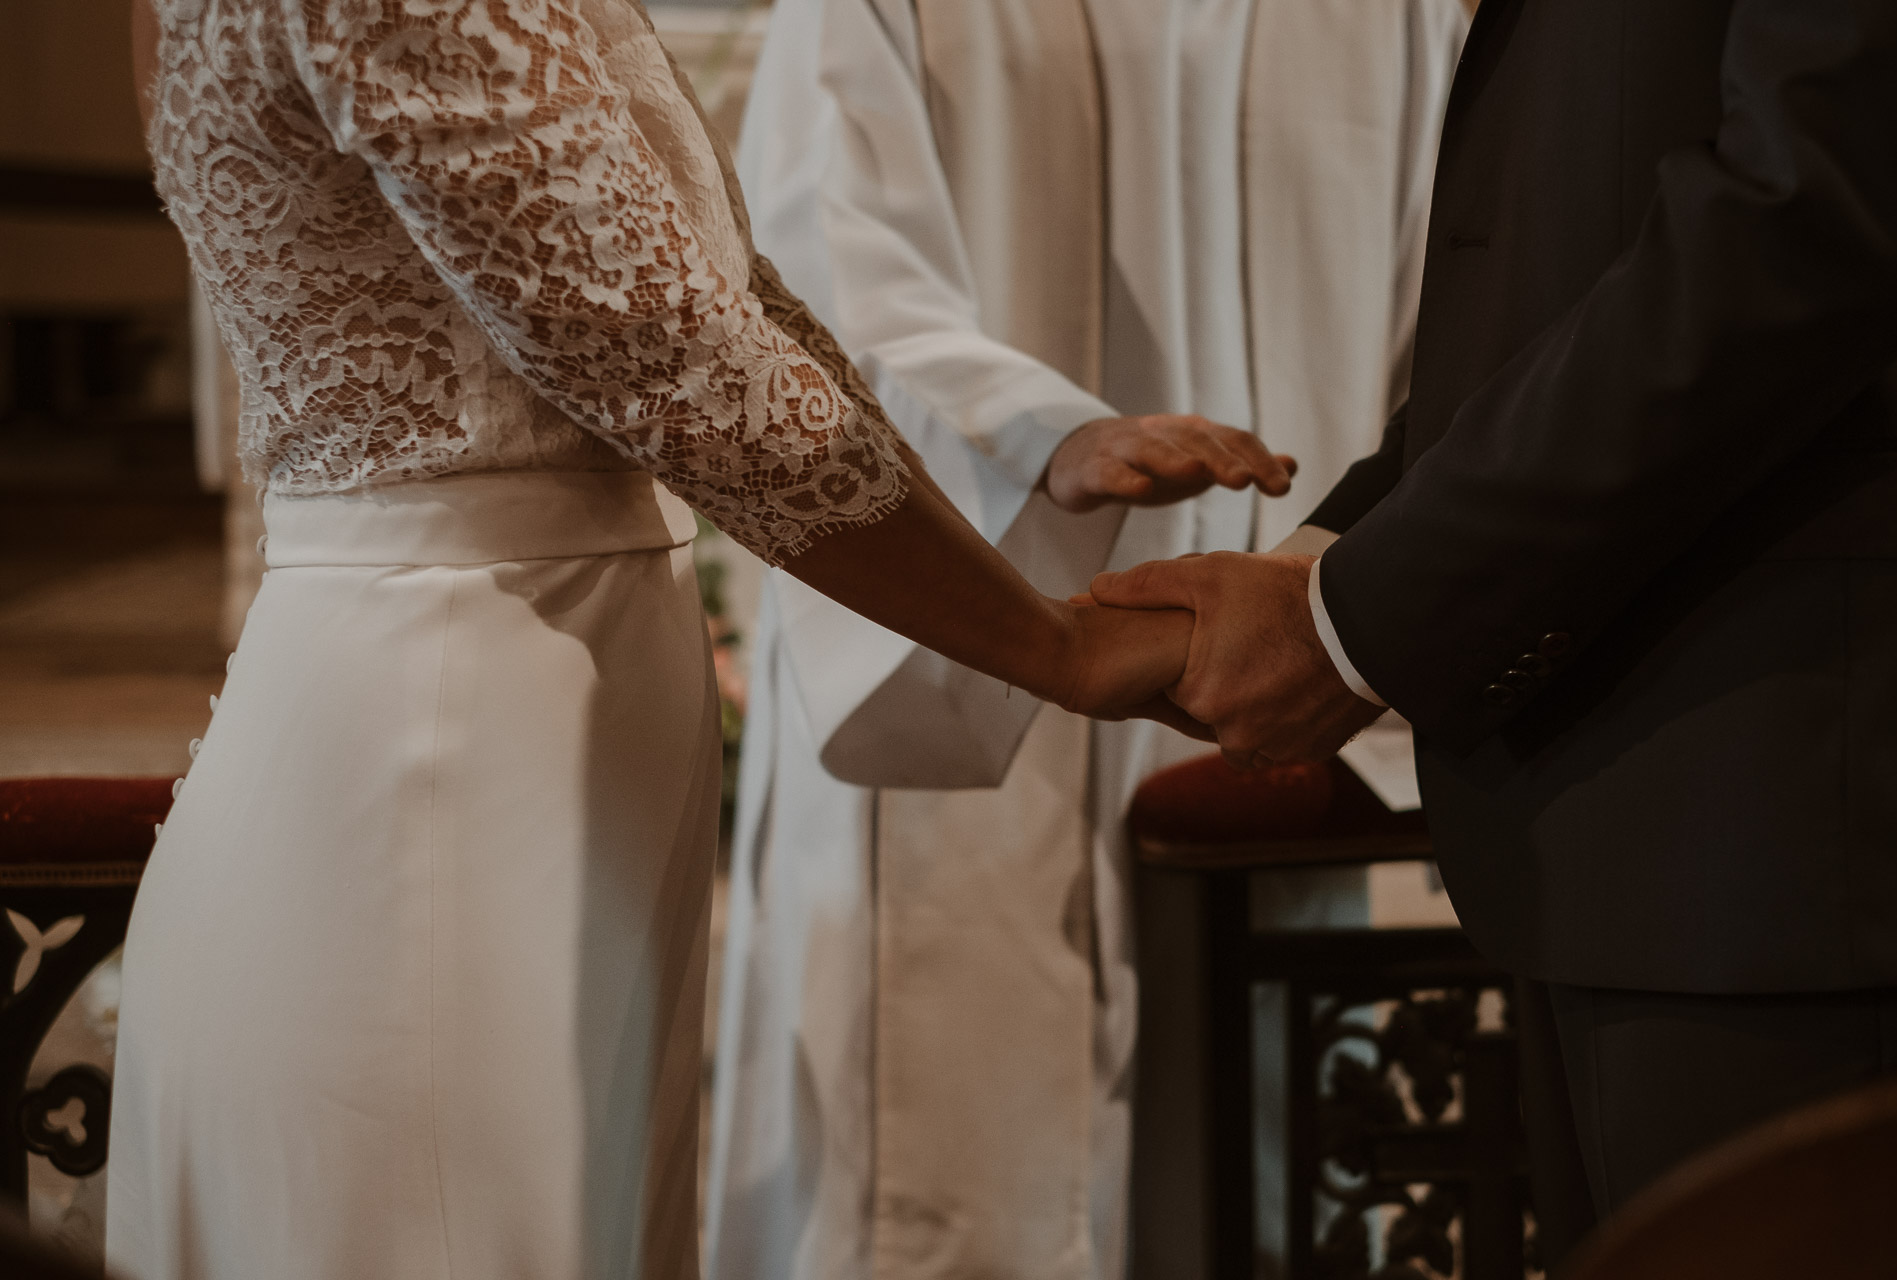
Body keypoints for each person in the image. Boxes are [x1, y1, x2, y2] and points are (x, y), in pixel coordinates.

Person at [109, 0, 1194, 1275]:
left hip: (524, 689)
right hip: (438, 730)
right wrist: (1050, 646)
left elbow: (725, 294)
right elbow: (658, 350)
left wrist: (1017, 577)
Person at [1089, 0, 1897, 1264]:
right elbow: (1577, 241)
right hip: (1657, 792)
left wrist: (1362, 621)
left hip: (1811, 799)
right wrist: (1340, 561)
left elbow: (1820, 210)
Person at [701, 1, 1468, 1277]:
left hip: (1275, 663)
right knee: (952, 1149)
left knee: (1250, 1140)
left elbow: (1451, 312)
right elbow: (818, 280)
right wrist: (1036, 433)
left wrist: (1353, 589)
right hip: (976, 642)